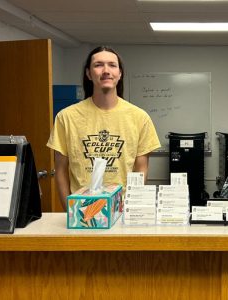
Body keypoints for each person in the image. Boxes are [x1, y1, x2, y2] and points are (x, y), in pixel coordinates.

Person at [47, 46, 161, 209]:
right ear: (88, 73)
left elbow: (141, 170)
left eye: (112, 65)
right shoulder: (66, 117)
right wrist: (70, 212)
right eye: (98, 65)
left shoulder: (139, 118)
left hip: (122, 211)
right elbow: (60, 171)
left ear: (120, 74)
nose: (106, 70)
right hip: (80, 211)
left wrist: (130, 208)